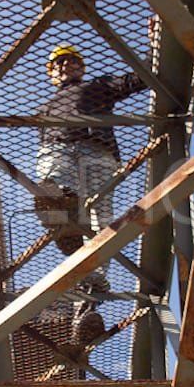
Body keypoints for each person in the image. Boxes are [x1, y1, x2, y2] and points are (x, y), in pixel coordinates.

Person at [33, 44, 147, 292]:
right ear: (52, 72)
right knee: (55, 183)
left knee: (100, 216)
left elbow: (137, 80)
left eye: (71, 60)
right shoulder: (43, 109)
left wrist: (155, 46)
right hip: (58, 148)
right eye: (59, 62)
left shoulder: (97, 86)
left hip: (97, 150)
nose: (65, 65)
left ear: (81, 68)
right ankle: (64, 219)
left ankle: (92, 278)